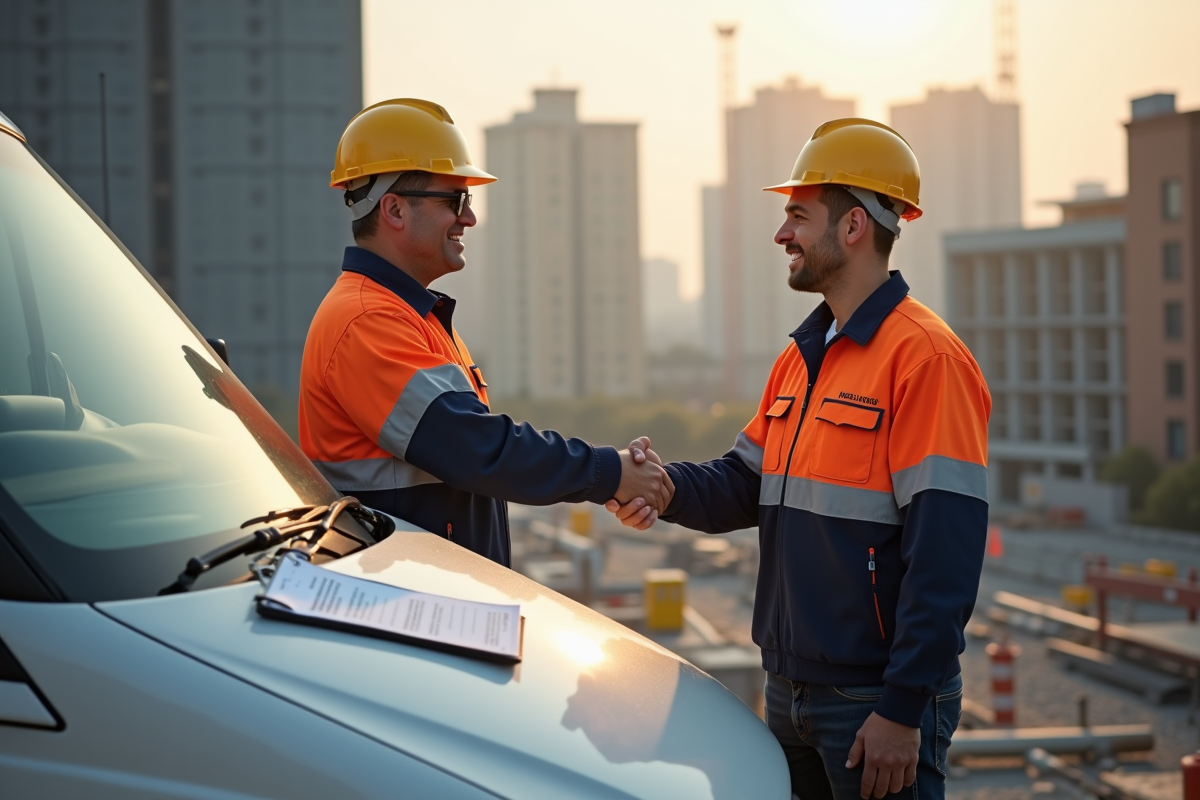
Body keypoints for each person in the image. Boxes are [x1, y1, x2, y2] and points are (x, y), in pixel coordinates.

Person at [608, 119, 990, 800]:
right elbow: (742, 484)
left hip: (873, 699)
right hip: (790, 691)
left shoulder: (926, 360)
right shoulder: (800, 356)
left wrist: (903, 708)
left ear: (852, 229)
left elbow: (947, 555)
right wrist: (661, 487)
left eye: (797, 216)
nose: (783, 235)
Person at [299, 98, 672, 566]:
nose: (469, 218)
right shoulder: (366, 321)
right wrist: (607, 472)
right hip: (408, 607)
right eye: (455, 201)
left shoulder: (411, 316)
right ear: (393, 209)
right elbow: (475, 448)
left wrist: (615, 474)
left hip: (430, 598)